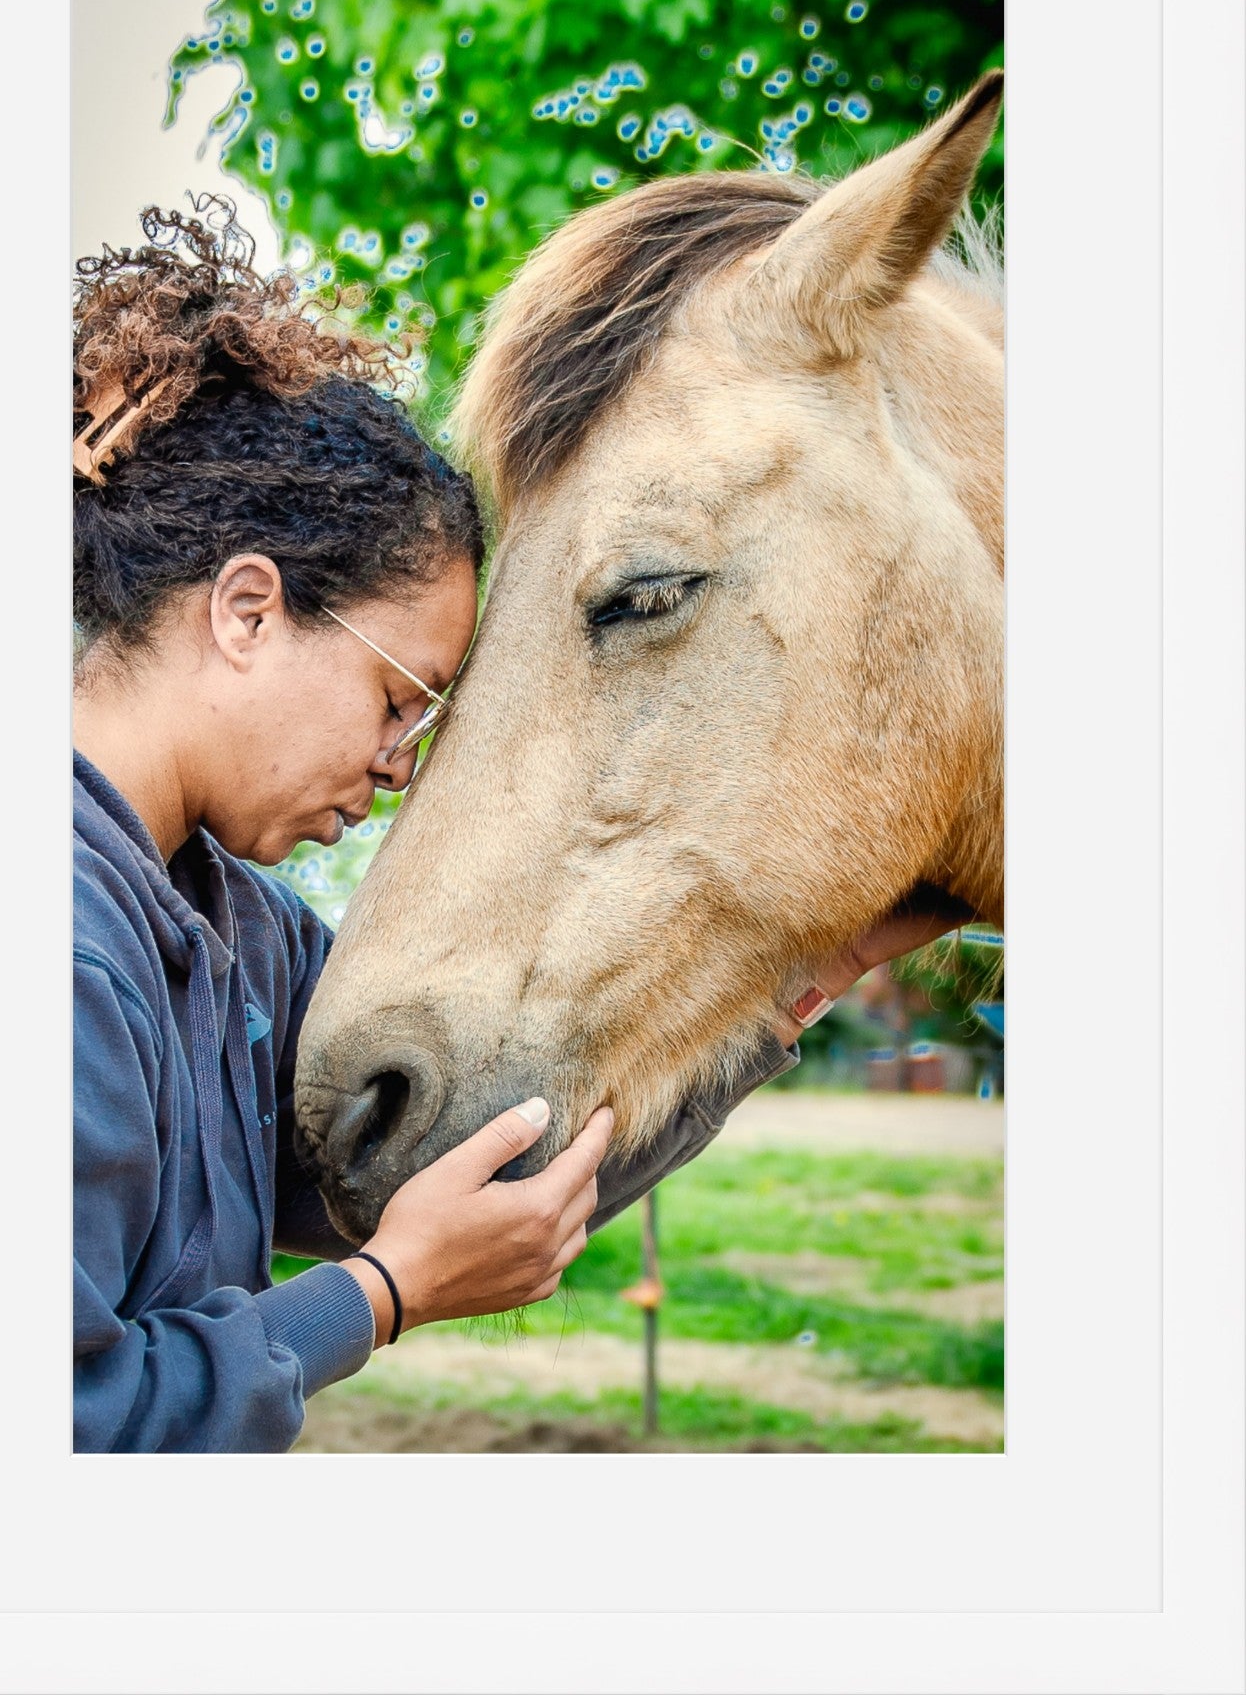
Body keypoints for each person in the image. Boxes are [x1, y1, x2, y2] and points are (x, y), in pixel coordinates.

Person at [72, 199, 945, 1454]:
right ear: (248, 612)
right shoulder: (65, 953)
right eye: (398, 698)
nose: (398, 767)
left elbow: (453, 1161)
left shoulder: (239, 926)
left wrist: (809, 972)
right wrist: (381, 1295)